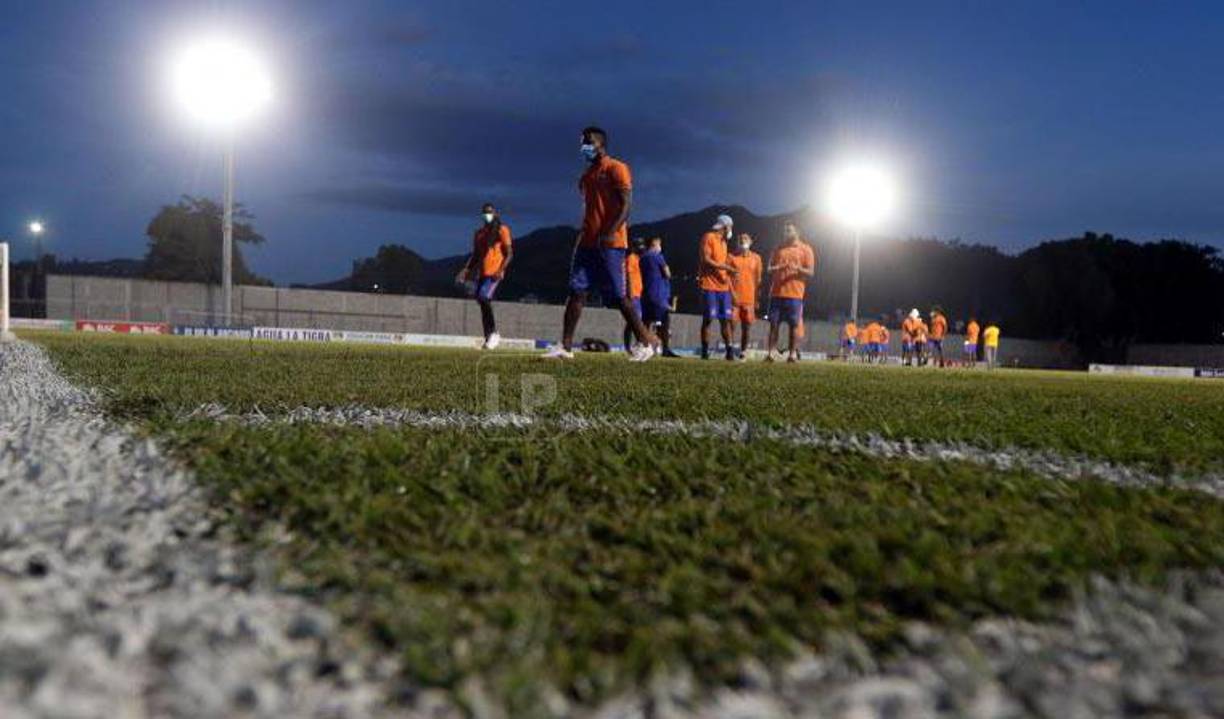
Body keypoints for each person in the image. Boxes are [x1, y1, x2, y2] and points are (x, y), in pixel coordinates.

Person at [544, 126, 656, 361]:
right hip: (586, 243)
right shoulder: (585, 177)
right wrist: (583, 237)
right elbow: (589, 210)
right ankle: (565, 346)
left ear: (600, 144)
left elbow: (626, 205)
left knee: (619, 297)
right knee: (576, 292)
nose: (583, 147)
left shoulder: (617, 168)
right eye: (581, 143)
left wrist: (609, 232)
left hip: (611, 244)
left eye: (587, 142)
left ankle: (645, 343)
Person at [456, 202, 512, 350]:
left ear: (495, 213)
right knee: (481, 303)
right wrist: (467, 269)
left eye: (490, 212)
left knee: (484, 297)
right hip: (482, 273)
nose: (488, 215)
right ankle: (488, 338)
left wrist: (501, 269)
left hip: (494, 274)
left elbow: (509, 253)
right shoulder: (479, 234)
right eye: (485, 213)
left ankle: (494, 333)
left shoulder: (502, 230)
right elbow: (475, 255)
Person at [766, 222, 817, 362]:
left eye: (789, 230)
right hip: (776, 293)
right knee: (773, 325)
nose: (786, 233)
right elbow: (769, 269)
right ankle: (771, 353)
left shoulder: (806, 249)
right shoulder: (778, 248)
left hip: (795, 294)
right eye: (784, 230)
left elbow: (811, 272)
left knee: (793, 326)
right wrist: (780, 267)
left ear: (797, 232)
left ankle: (792, 354)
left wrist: (797, 268)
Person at [698, 214, 739, 360]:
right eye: (730, 226)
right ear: (725, 226)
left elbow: (723, 267)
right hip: (709, 285)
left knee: (725, 320)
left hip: (723, 288)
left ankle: (729, 351)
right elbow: (706, 259)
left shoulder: (724, 243)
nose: (731, 230)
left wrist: (728, 277)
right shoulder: (708, 237)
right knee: (708, 319)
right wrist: (726, 268)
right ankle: (704, 351)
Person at [639, 237, 678, 357]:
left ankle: (642, 346)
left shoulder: (642, 258)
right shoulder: (657, 256)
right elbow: (667, 273)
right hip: (659, 294)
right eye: (659, 244)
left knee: (646, 322)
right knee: (664, 322)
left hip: (646, 293)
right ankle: (665, 349)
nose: (660, 247)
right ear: (654, 244)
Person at [728, 233, 763, 361]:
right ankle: (729, 351)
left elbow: (758, 280)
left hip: (749, 299)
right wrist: (732, 294)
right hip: (734, 299)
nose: (743, 241)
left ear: (751, 241)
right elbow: (727, 278)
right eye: (740, 239)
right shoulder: (731, 257)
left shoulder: (757, 258)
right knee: (731, 325)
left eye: (746, 239)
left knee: (746, 327)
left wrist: (757, 299)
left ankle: (743, 352)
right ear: (737, 242)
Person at [622, 238, 645, 354]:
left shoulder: (637, 259)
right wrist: (630, 293)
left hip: (638, 293)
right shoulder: (631, 258)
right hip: (633, 294)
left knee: (635, 320)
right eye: (639, 246)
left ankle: (636, 344)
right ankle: (630, 346)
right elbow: (629, 276)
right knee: (634, 320)